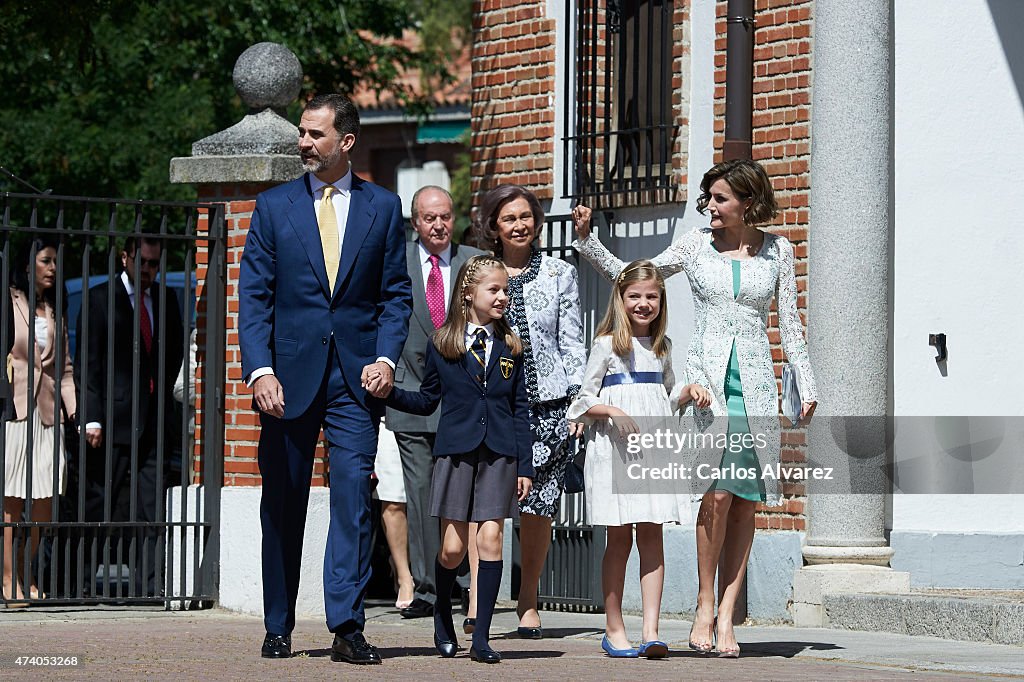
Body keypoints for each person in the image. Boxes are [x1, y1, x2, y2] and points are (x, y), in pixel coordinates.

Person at [572, 158, 819, 658]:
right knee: (715, 495)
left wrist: (806, 382)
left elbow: (790, 326)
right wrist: (588, 240)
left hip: (754, 386)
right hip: (707, 383)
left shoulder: (779, 252)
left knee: (746, 499)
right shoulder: (694, 245)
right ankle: (704, 603)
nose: (709, 206)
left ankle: (727, 615)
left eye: (720, 198)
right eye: (707, 197)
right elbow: (634, 276)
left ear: (748, 203)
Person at [238, 93, 412, 664]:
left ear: (347, 141)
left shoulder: (383, 207)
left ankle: (346, 625)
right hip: (286, 380)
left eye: (315, 134)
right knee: (283, 502)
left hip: (357, 381)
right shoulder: (273, 207)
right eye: (303, 133)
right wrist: (260, 369)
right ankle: (278, 624)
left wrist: (386, 359)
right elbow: (255, 297)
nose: (304, 143)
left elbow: (395, 294)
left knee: (353, 502)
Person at [386, 255, 533, 664]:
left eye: (506, 289)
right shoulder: (442, 343)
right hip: (455, 453)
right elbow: (427, 398)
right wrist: (389, 395)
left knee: (490, 539)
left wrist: (525, 465)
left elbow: (520, 408)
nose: (504, 296)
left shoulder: (512, 345)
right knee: (451, 549)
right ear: (469, 294)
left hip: (500, 453)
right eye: (495, 289)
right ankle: (441, 613)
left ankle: (482, 636)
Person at [568, 260, 710, 657]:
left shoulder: (662, 348)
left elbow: (664, 396)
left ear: (661, 301)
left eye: (652, 296)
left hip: (655, 449)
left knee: (652, 535)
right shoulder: (607, 346)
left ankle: (651, 630)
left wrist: (688, 390)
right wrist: (612, 411)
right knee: (619, 538)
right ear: (621, 298)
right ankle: (614, 627)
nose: (643, 303)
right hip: (616, 451)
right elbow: (581, 402)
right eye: (635, 296)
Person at [474, 184, 587, 638]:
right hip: (494, 406)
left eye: (525, 216)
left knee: (539, 507)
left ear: (537, 222)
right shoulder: (482, 274)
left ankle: (528, 600)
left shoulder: (560, 273)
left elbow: (572, 340)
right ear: (494, 228)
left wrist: (580, 403)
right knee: (485, 504)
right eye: (508, 219)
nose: (519, 225)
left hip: (549, 409)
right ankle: (478, 598)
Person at [386, 185, 483, 620]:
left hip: (465, 399)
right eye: (430, 218)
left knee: (465, 493)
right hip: (410, 392)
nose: (439, 225)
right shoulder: (397, 264)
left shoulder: (473, 262)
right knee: (422, 492)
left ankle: (466, 582)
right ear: (415, 222)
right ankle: (426, 586)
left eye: (445, 216)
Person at [75, 234, 184, 599]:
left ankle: (149, 587)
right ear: (125, 259)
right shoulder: (100, 299)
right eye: (144, 263)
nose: (150, 271)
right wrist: (92, 418)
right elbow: (88, 364)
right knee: (98, 504)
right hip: (111, 421)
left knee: (150, 507)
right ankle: (81, 584)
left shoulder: (166, 299)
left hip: (153, 422)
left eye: (155, 264)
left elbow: (173, 355)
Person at [3, 238, 76, 605]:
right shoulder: (9, 300)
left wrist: (75, 411)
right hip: (15, 409)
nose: (53, 268)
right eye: (46, 261)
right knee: (12, 497)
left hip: (48, 413)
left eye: (55, 263)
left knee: (45, 499)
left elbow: (64, 370)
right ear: (29, 265)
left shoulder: (55, 312)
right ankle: (7, 578)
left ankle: (23, 567)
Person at [373, 427, 415, 609]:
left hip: (428, 417)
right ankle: (404, 575)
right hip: (386, 422)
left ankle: (420, 570)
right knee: (393, 499)